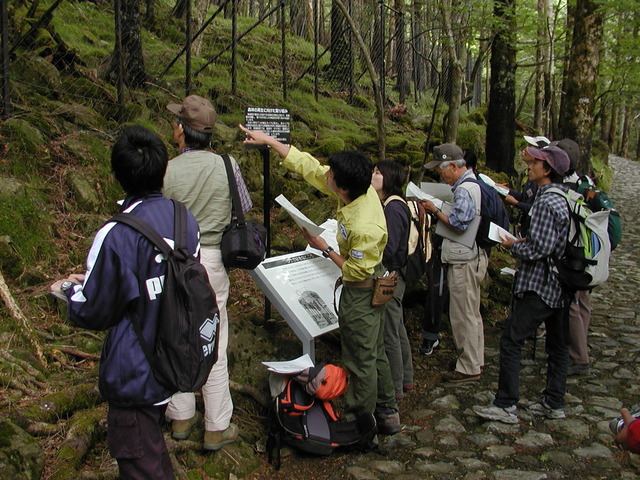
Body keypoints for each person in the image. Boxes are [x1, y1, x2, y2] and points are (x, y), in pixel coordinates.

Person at [50, 125, 200, 479]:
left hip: (136, 368)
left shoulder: (116, 234)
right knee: (151, 451)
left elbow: (94, 310)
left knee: (138, 462)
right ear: (163, 169)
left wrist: (69, 291)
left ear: (117, 175)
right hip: (174, 352)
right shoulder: (184, 219)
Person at [239, 124, 401, 435]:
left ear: (341, 187)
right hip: (364, 286)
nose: (325, 174)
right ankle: (386, 410)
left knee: (360, 358)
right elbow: (311, 168)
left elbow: (355, 271)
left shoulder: (365, 224)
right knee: (373, 350)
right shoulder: (356, 191)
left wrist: (324, 249)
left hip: (363, 293)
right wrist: (271, 141)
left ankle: (361, 423)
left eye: (331, 175)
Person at [162, 95, 252, 450]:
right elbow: (242, 206)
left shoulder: (166, 170)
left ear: (182, 130)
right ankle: (217, 424)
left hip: (175, 261)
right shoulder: (227, 165)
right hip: (213, 262)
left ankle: (180, 416)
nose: (173, 127)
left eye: (175, 122)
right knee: (213, 340)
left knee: (174, 336)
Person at [473, 145, 572, 424]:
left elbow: (539, 247)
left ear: (547, 169)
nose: (529, 165)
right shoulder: (564, 198)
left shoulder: (546, 201)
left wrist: (512, 246)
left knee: (511, 340)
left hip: (541, 285)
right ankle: (554, 403)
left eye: (535, 162)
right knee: (558, 346)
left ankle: (506, 404)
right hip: (562, 283)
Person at [421, 143, 487, 383]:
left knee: (462, 314)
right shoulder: (474, 184)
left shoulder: (464, 190)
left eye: (441, 168)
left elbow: (459, 223)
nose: (440, 173)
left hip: (462, 259)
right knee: (471, 312)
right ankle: (474, 359)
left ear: (452, 165)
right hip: (471, 256)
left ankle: (468, 367)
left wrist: (434, 209)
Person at [371, 160, 414, 401]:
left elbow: (391, 247)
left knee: (390, 333)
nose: (373, 175)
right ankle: (405, 380)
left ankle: (395, 388)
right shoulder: (389, 205)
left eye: (378, 173)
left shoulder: (393, 208)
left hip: (390, 277)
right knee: (397, 329)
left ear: (388, 178)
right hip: (395, 275)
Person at [553, 138, 595, 377]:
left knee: (572, 306)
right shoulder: (586, 182)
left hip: (573, 252)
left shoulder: (567, 187)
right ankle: (580, 347)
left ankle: (579, 356)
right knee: (583, 304)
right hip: (588, 251)